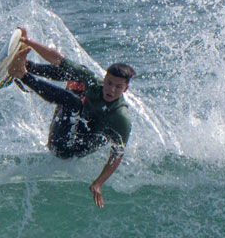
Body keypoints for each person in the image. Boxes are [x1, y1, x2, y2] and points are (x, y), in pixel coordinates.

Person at [7, 29, 135, 208]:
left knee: (73, 101)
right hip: (71, 126)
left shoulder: (121, 118)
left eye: (118, 87)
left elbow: (117, 154)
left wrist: (98, 182)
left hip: (67, 150)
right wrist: (29, 42)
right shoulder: (96, 85)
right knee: (78, 75)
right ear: (105, 78)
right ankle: (27, 66)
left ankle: (22, 74)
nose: (111, 90)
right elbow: (59, 60)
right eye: (109, 83)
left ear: (125, 89)